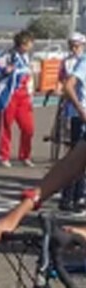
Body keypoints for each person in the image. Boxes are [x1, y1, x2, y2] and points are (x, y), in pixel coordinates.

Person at [0, 30, 36, 168]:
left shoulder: (26, 57)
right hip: (9, 96)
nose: (31, 46)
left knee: (28, 128)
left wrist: (31, 94)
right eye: (29, 43)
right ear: (23, 43)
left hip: (24, 97)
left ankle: (25, 155)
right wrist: (3, 71)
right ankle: (3, 155)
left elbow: (28, 76)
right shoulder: (7, 56)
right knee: (5, 127)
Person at [58, 32, 86, 214]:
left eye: (77, 45)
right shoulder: (74, 62)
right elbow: (66, 85)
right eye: (72, 45)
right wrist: (80, 109)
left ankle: (78, 195)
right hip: (78, 114)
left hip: (76, 111)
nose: (74, 48)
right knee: (77, 158)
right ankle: (68, 197)